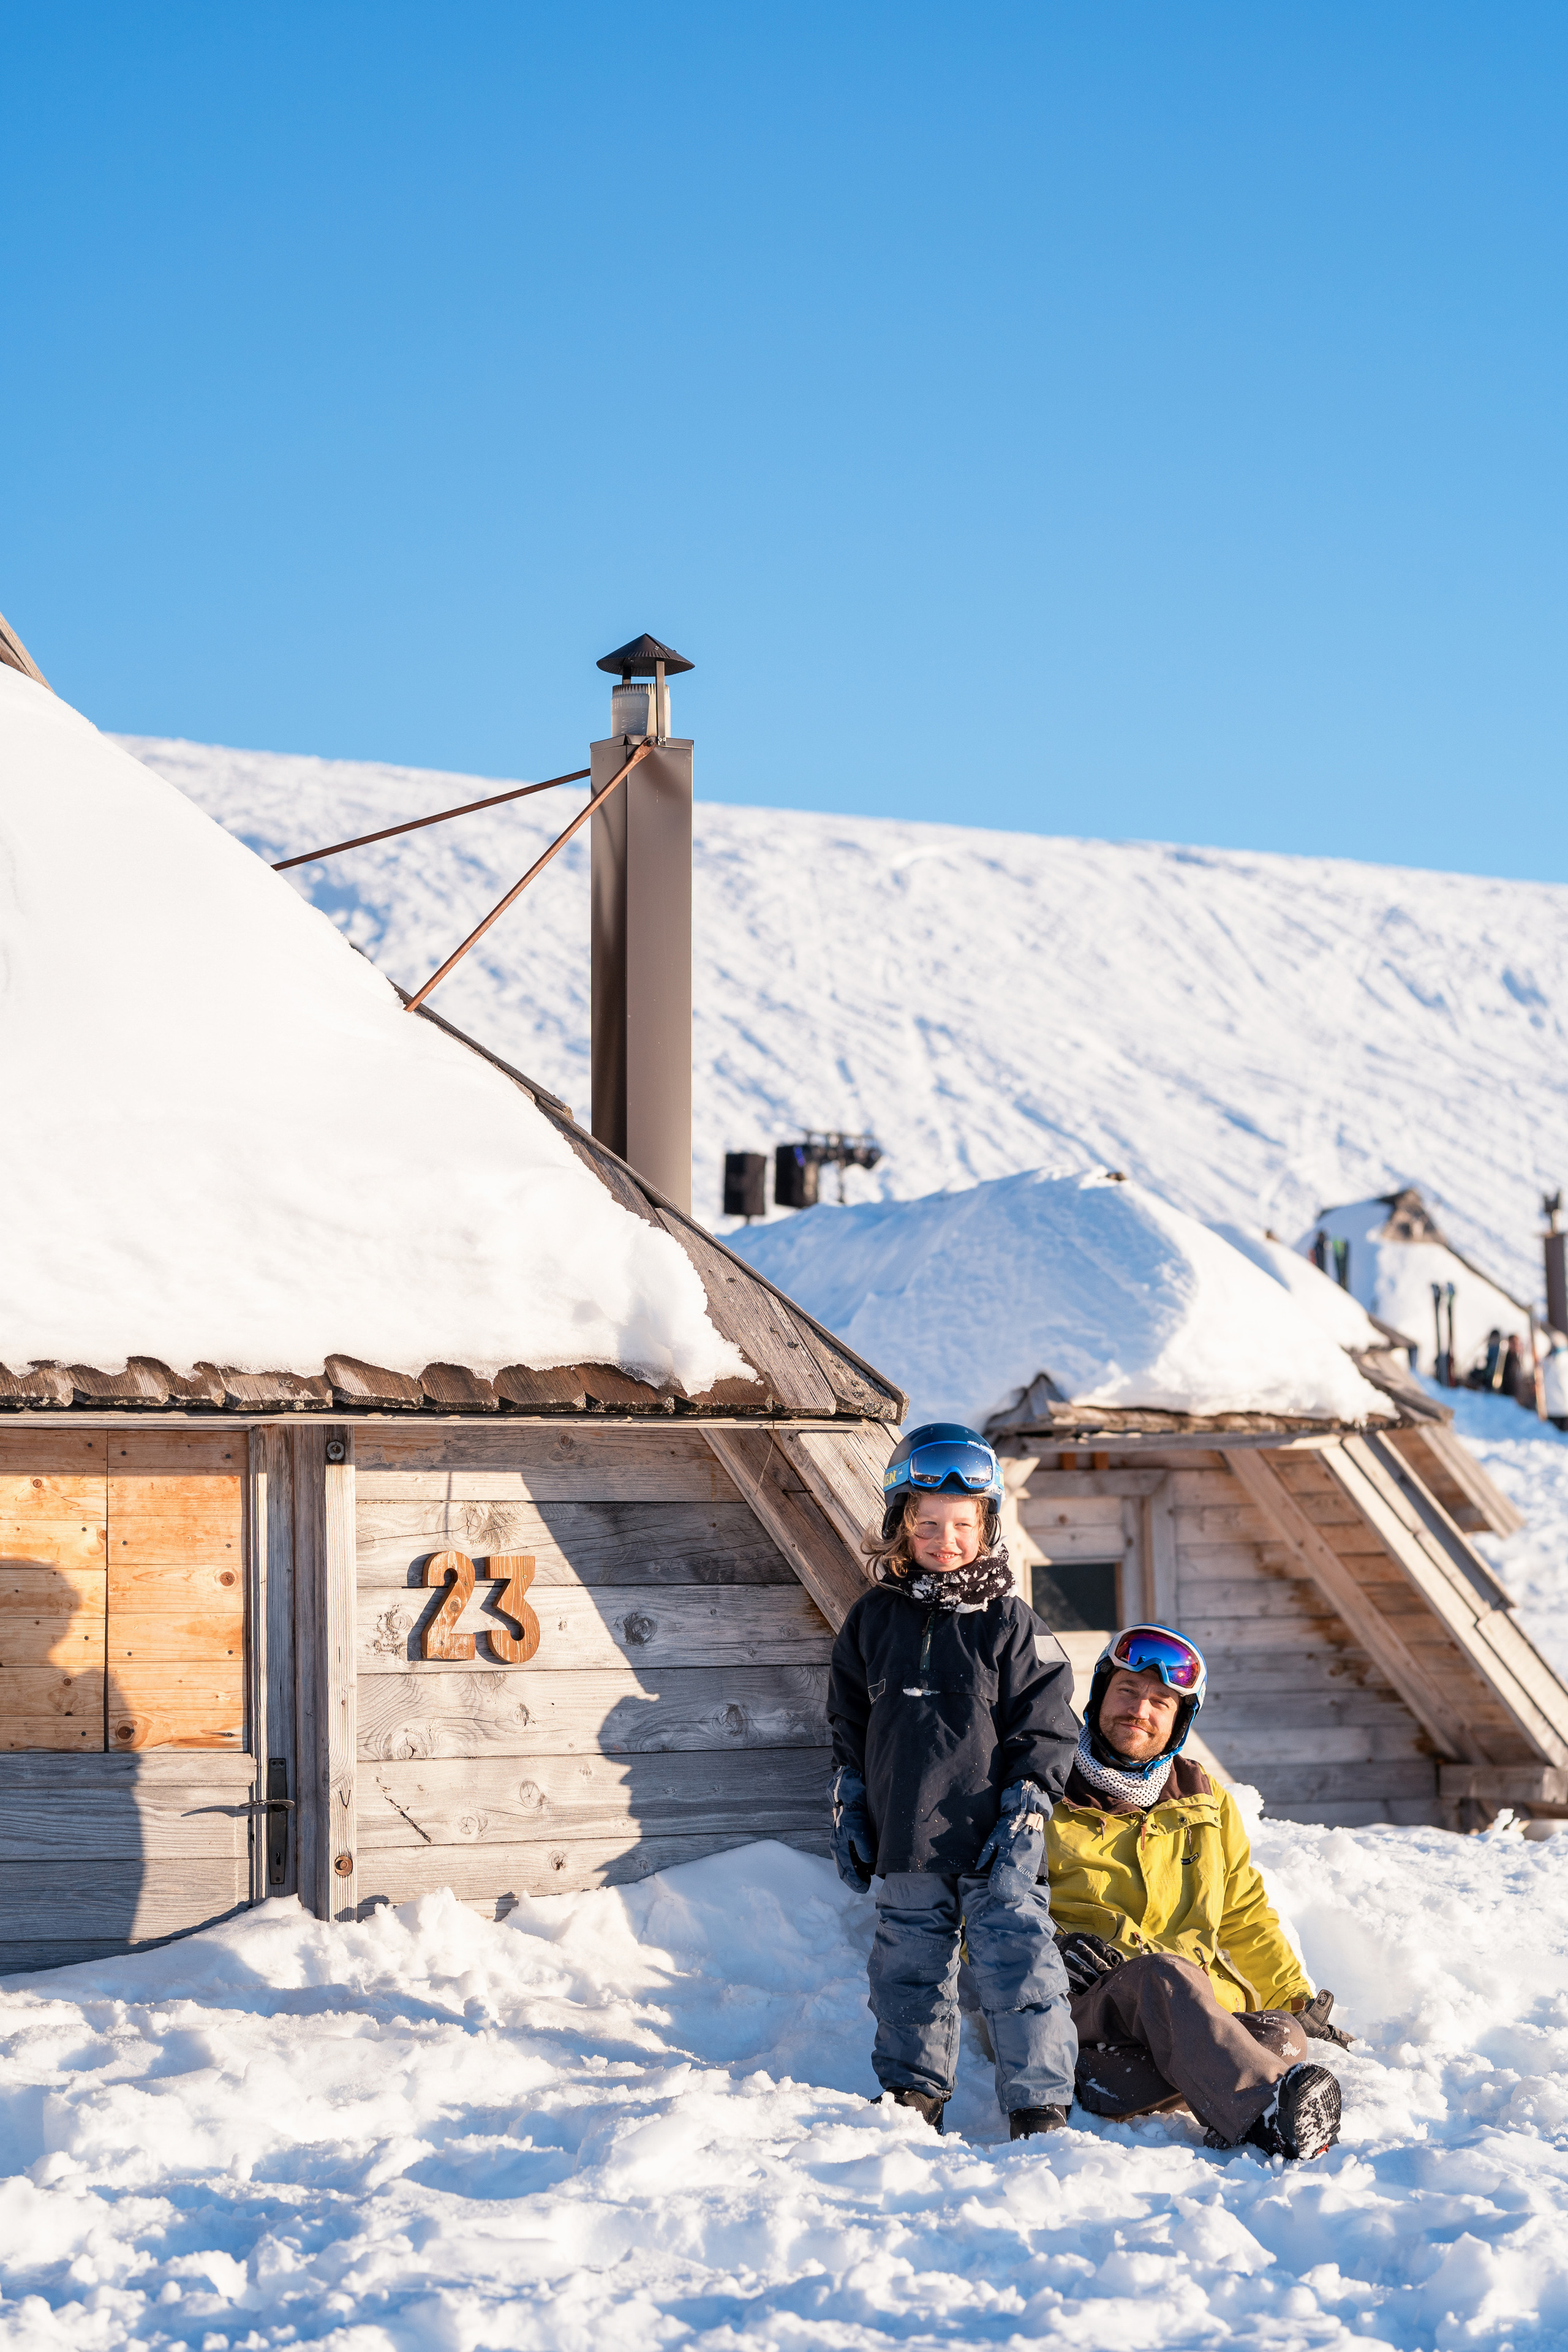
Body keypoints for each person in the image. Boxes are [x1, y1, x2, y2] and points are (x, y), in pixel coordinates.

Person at [827, 1423, 1079, 2139]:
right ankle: (912, 2097)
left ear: (986, 1526)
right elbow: (847, 1722)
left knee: (1021, 1970)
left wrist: (1027, 1807)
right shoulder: (872, 1620)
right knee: (907, 1973)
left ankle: (1038, 2107)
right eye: (928, 1523)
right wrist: (849, 1796)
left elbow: (1048, 1726)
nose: (946, 1539)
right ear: (900, 1525)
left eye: (963, 1525)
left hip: (995, 1834)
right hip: (906, 1830)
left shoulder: (1010, 1622)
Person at [1047, 1624, 1347, 2160]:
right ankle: (1264, 2119)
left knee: (1281, 2035)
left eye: (1160, 1701)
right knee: (1166, 1975)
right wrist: (1051, 1946)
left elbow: (1244, 1913)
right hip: (1089, 2000)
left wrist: (1294, 2000)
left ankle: (1118, 2084)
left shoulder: (1205, 1802)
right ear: (1099, 1697)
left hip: (1186, 2006)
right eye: (1127, 1692)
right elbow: (986, 1905)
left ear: (1180, 1719)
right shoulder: (1046, 1785)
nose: (1140, 1710)